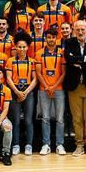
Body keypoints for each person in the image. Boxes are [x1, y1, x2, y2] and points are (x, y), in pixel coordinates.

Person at [64, 19, 86, 156]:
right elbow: (69, 58)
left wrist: (79, 60)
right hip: (74, 86)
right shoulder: (69, 42)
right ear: (74, 30)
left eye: (82, 29)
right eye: (77, 29)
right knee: (77, 118)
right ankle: (79, 145)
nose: (80, 32)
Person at [5, 35, 39, 156]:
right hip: (15, 91)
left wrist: (26, 92)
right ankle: (16, 144)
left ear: (28, 47)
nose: (22, 49)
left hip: (28, 91)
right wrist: (17, 92)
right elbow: (8, 78)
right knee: (16, 120)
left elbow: (35, 79)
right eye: (19, 47)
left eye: (24, 47)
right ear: (15, 47)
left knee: (29, 120)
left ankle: (29, 145)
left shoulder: (32, 61)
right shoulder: (10, 60)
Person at [36, 26, 67, 155]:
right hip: (44, 89)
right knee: (46, 118)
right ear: (45, 38)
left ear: (57, 38)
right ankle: (46, 144)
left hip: (59, 89)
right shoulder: (39, 53)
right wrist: (47, 86)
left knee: (60, 118)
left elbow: (64, 72)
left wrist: (54, 87)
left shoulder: (62, 52)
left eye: (53, 37)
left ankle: (60, 144)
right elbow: (38, 72)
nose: (51, 40)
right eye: (48, 37)